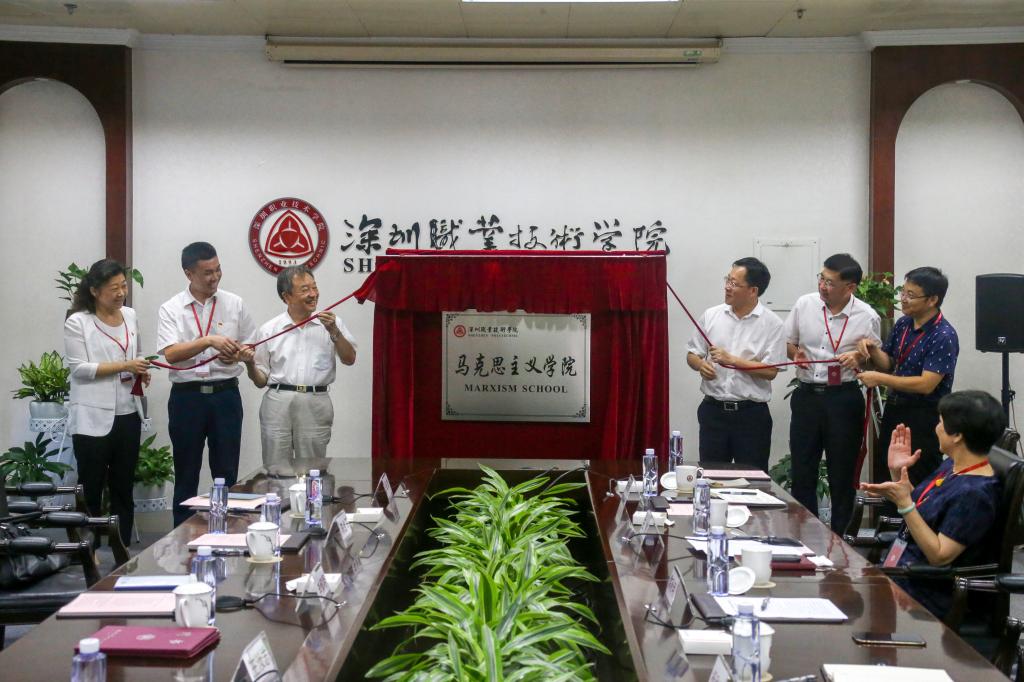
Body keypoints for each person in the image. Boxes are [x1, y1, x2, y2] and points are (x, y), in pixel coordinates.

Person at [859, 390, 1005, 618]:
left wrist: (905, 504)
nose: (936, 428)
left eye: (940, 423)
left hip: (924, 593)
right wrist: (898, 473)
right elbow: (923, 509)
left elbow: (939, 555)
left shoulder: (975, 494)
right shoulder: (953, 467)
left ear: (957, 436)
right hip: (900, 574)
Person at [157, 242, 256, 526]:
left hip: (225, 395)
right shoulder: (171, 308)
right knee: (186, 471)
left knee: (226, 472)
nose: (215, 278)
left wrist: (239, 354)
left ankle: (227, 530)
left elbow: (251, 345)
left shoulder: (234, 304)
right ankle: (180, 535)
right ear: (189, 274)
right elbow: (171, 353)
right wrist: (209, 340)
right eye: (207, 273)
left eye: (218, 270)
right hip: (187, 398)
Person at [785, 253, 881, 533]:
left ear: (850, 287)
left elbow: (876, 361)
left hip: (843, 399)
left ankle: (841, 536)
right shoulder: (805, 304)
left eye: (830, 282)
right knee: (803, 468)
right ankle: (805, 532)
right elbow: (789, 342)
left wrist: (860, 357)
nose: (822, 286)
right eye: (821, 279)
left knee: (842, 471)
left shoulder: (867, 316)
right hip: (806, 396)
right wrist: (795, 354)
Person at [64, 259, 151, 545]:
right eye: (113, 288)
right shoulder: (78, 321)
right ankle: (88, 549)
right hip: (91, 418)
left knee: (123, 486)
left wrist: (140, 370)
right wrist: (125, 366)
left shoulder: (130, 315)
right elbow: (79, 369)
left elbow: (136, 355)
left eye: (123, 286)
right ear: (94, 290)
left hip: (128, 412)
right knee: (91, 487)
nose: (121, 293)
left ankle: (121, 548)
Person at [240, 266, 357, 472]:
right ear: (286, 297)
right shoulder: (270, 329)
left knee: (313, 469)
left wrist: (334, 332)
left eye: (314, 287)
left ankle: (312, 495)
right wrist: (249, 363)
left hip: (315, 401)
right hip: (277, 402)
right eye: (305, 289)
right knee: (276, 468)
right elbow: (260, 381)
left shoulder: (331, 323)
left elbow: (349, 359)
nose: (313, 294)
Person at [857, 267, 959, 486]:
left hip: (923, 416)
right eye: (903, 292)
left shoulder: (943, 335)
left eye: (910, 295)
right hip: (895, 409)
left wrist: (880, 379)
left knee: (917, 476)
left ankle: (914, 510)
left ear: (932, 300)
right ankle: (890, 509)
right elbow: (889, 363)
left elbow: (926, 384)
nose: (903, 299)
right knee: (889, 472)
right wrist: (873, 349)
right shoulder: (904, 323)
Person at [685, 257, 786, 470]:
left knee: (752, 479)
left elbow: (771, 371)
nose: (727, 287)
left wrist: (733, 361)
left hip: (751, 415)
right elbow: (692, 354)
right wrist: (700, 365)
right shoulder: (712, 315)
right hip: (713, 411)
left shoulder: (773, 324)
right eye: (727, 280)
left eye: (734, 283)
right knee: (711, 476)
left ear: (753, 291)